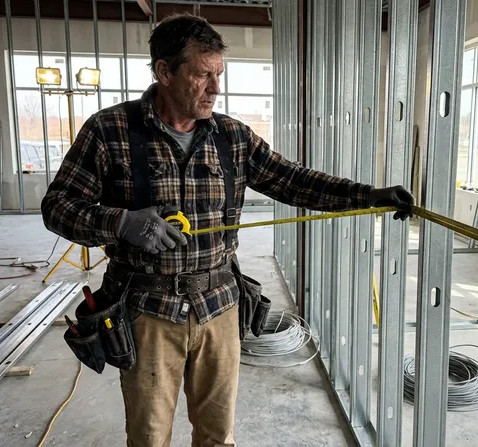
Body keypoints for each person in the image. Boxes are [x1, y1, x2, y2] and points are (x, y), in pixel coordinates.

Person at [41, 12, 413, 447]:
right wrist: (121, 222)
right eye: (203, 75)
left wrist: (367, 196)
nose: (216, 88)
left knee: (218, 437)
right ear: (164, 71)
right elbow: (57, 208)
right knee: (149, 437)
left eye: (219, 74)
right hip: (147, 311)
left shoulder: (231, 137)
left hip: (220, 307)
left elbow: (293, 180)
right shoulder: (109, 131)